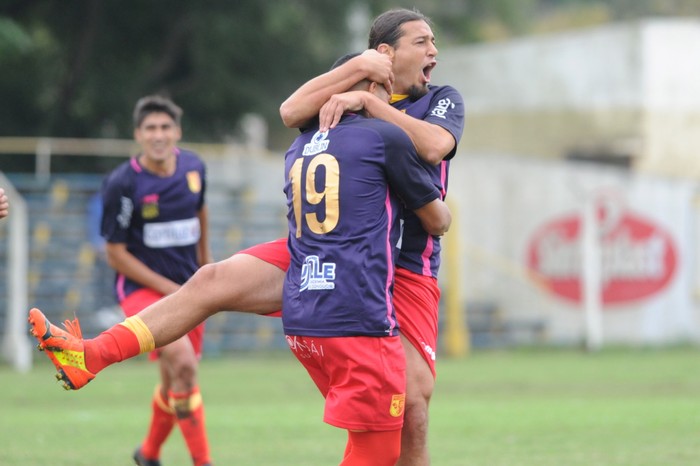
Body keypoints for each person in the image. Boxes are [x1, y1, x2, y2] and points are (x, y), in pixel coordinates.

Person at [28, 7, 463, 465]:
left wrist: (370, 105)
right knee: (212, 280)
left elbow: (435, 147)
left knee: (411, 412)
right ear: (384, 55)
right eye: (422, 42)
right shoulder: (340, 103)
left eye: (433, 42)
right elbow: (290, 110)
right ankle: (91, 354)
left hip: (407, 265)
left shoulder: (439, 98)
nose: (434, 51)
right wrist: (356, 72)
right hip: (332, 253)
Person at [282, 54, 450, 466]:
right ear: (373, 83)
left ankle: (101, 352)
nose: (432, 50)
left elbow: (289, 111)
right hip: (365, 312)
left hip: (306, 306)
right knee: (384, 445)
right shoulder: (382, 136)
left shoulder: (299, 144)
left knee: (211, 283)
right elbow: (438, 219)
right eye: (422, 41)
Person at [88, 95, 214, 466]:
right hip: (143, 292)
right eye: (150, 129)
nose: (158, 135)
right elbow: (115, 254)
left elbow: (201, 210)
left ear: (176, 131)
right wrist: (172, 291)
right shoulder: (122, 184)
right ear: (138, 135)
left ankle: (148, 454)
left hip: (190, 289)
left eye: (165, 127)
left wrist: (207, 273)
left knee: (174, 381)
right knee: (186, 368)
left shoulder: (194, 168)